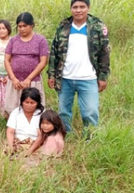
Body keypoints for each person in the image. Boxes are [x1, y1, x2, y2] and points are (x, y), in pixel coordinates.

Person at [47, 0, 110, 134]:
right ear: (71, 9)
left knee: (90, 111)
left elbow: (104, 53)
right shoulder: (64, 26)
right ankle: (65, 135)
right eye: (75, 7)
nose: (78, 10)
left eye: (82, 7)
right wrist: (51, 74)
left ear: (88, 8)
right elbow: (54, 52)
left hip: (88, 77)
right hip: (65, 78)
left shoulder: (97, 26)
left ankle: (90, 138)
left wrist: (103, 76)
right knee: (64, 111)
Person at [4, 12, 49, 115]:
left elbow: (43, 62)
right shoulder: (13, 40)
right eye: (19, 26)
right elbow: (6, 60)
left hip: (32, 81)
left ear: (32, 25)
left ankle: (34, 129)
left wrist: (29, 79)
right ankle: (13, 129)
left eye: (25, 26)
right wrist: (13, 78)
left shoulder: (40, 40)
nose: (22, 29)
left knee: (34, 109)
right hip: (15, 82)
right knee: (12, 110)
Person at [6, 88, 44, 154]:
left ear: (37, 103)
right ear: (22, 102)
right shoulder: (16, 112)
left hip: (36, 143)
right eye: (26, 102)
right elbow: (10, 131)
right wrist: (11, 147)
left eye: (32, 103)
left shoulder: (42, 114)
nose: (29, 105)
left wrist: (30, 151)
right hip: (18, 142)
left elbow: (41, 135)